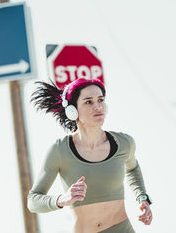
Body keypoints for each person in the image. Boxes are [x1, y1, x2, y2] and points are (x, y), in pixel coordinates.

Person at [27, 77, 153, 233]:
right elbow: (33, 200)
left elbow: (133, 168)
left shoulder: (123, 143)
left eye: (100, 100)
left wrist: (142, 198)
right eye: (89, 102)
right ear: (72, 110)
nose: (97, 107)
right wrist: (62, 200)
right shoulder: (59, 150)